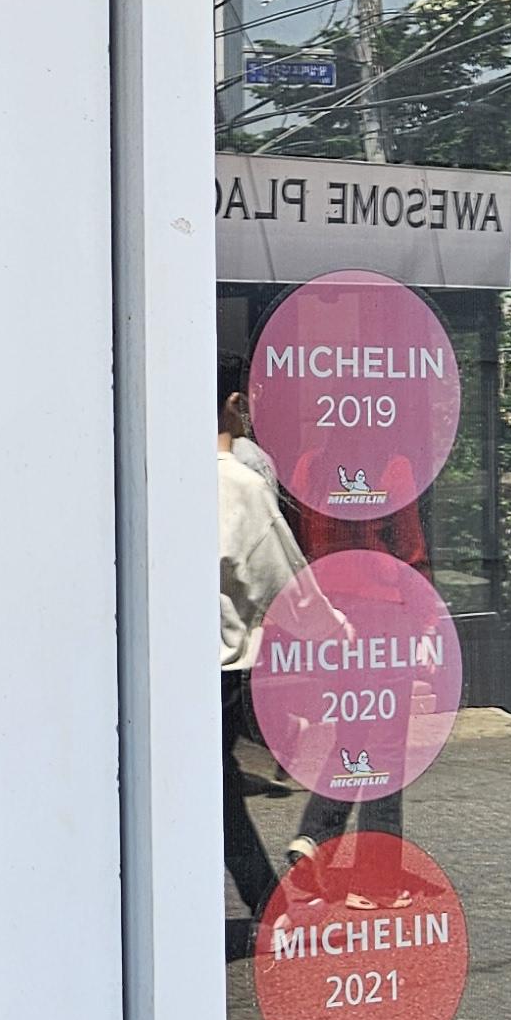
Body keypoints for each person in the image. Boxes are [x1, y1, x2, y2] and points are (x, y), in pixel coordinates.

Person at [221, 398, 306, 933]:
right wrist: (340, 639)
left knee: (214, 787)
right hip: (219, 664)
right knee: (217, 788)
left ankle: (268, 902)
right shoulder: (240, 485)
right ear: (233, 405)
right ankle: (270, 905)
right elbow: (288, 586)